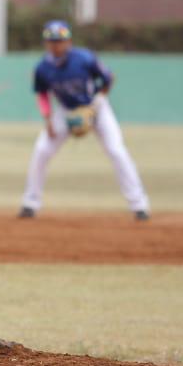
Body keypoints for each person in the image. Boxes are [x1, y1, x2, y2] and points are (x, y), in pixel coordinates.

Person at [18, 20, 151, 221]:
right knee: (42, 150)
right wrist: (48, 120)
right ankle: (30, 204)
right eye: (51, 41)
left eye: (60, 41)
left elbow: (108, 79)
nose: (56, 45)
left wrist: (94, 105)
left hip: (96, 108)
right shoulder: (43, 68)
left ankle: (139, 205)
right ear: (46, 43)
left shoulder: (84, 59)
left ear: (69, 42)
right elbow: (43, 94)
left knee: (116, 150)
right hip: (65, 111)